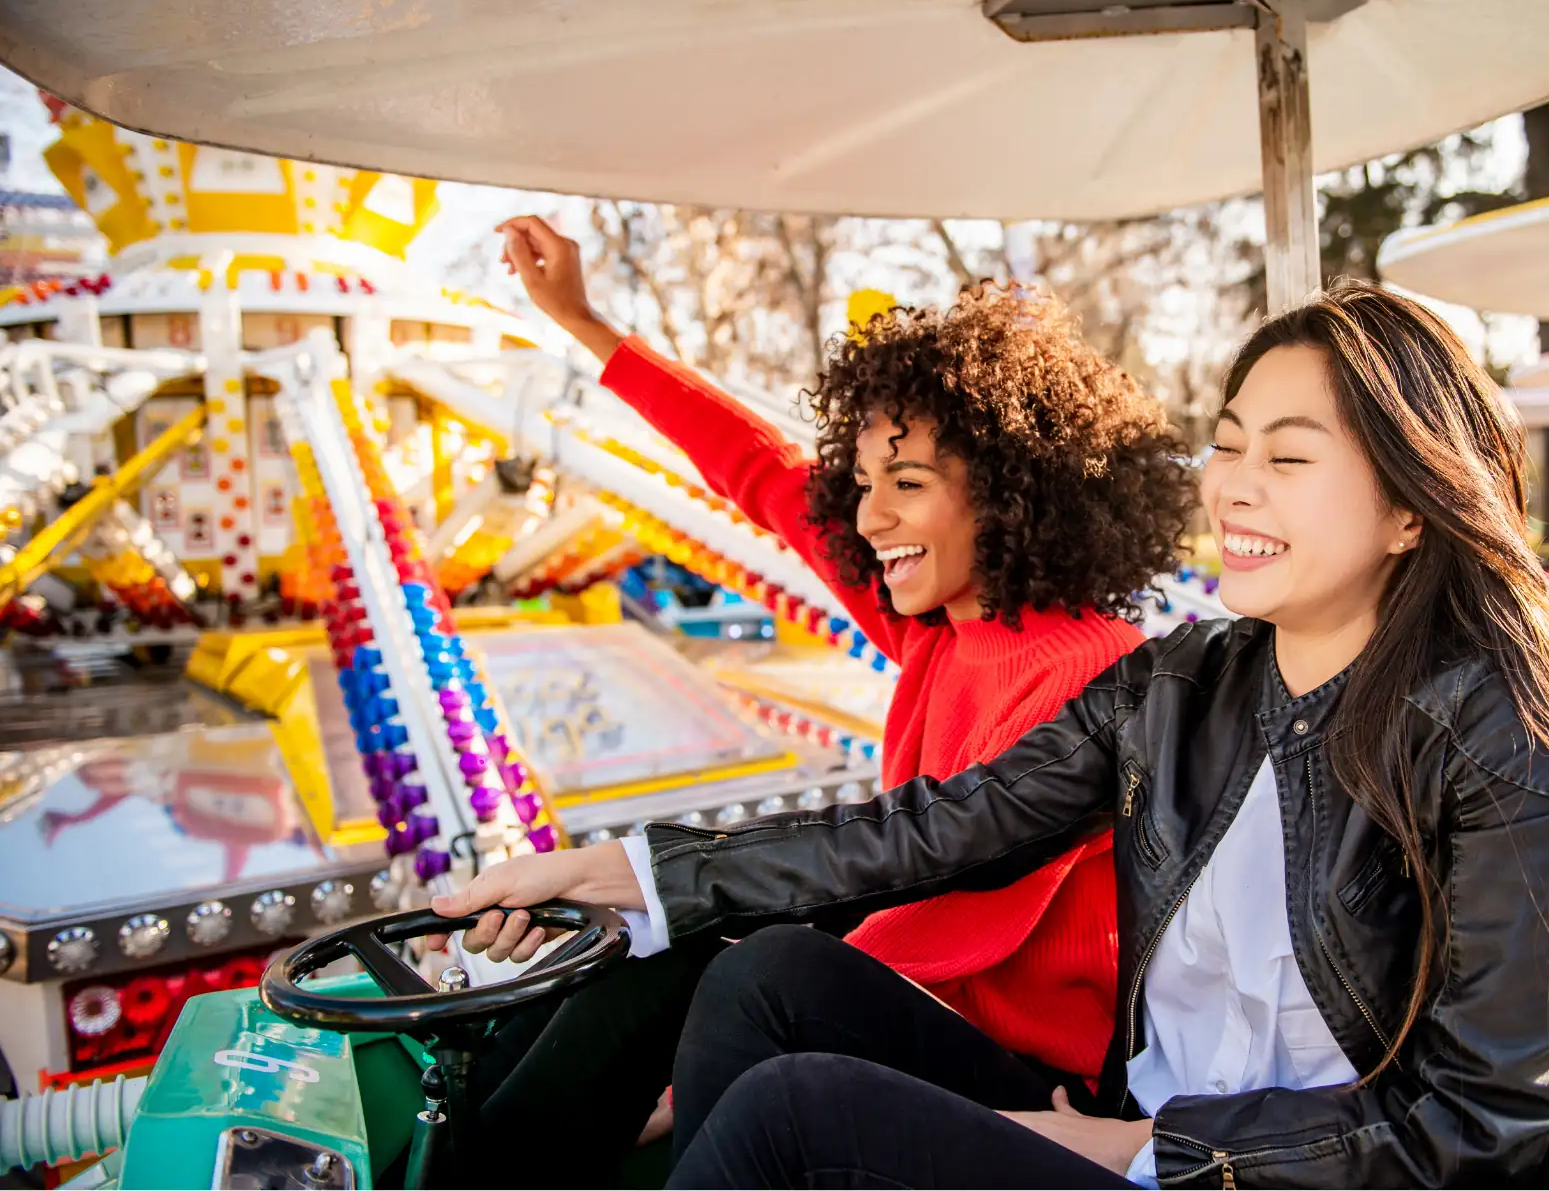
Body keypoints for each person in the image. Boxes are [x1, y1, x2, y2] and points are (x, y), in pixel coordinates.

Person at [437, 281, 1549, 1189]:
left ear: (1411, 510)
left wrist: (1147, 1150)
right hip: (1141, 1120)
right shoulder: (1187, 680)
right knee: (765, 972)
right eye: (1226, 448)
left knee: (793, 1107)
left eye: (1288, 458)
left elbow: (1486, 1123)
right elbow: (939, 826)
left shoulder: (1499, 738)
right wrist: (620, 873)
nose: (1232, 487)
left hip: (1261, 1174)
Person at [447, 216, 1196, 1179]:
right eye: (865, 481)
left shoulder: (1094, 670)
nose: (870, 515)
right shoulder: (937, 630)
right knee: (697, 944)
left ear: (1009, 495)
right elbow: (761, 474)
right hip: (933, 1016)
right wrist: (588, 326)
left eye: (908, 483)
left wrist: (693, 926)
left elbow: (944, 895)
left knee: (748, 959)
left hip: (1043, 1086)